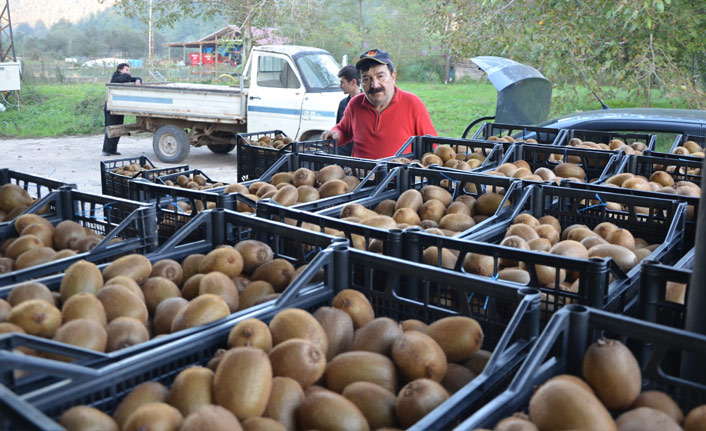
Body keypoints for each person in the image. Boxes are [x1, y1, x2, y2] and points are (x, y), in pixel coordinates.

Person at [322, 49, 437, 159]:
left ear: (393, 77)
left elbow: (432, 146)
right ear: (360, 82)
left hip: (398, 177)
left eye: (380, 76)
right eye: (367, 79)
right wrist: (336, 134)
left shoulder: (412, 104)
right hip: (359, 176)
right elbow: (344, 130)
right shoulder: (355, 104)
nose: (374, 85)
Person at [102, 63, 142, 156]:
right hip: (110, 107)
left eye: (129, 70)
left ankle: (113, 149)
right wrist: (128, 75)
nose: (129, 72)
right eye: (126, 70)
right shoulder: (116, 77)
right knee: (110, 128)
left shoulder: (125, 76)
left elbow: (137, 78)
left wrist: (137, 80)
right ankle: (106, 149)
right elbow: (123, 79)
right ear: (120, 70)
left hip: (119, 107)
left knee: (118, 129)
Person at [335, 65, 361, 156]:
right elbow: (338, 128)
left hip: (360, 156)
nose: (340, 86)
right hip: (343, 155)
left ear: (353, 82)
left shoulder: (368, 103)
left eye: (342, 83)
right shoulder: (343, 103)